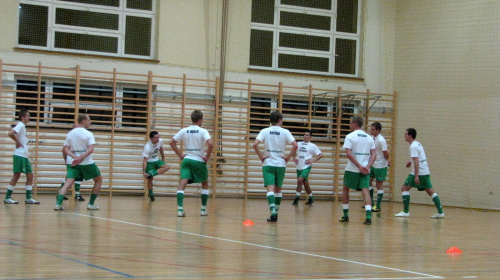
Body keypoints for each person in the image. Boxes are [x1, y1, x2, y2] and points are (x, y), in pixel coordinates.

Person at [253, 111, 297, 222]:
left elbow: (255, 144)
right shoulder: (285, 132)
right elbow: (295, 145)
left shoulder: (265, 131)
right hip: (280, 164)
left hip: (268, 163)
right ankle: (276, 213)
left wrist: (261, 157)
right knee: (278, 190)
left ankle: (272, 212)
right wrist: (287, 158)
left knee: (270, 189)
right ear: (280, 120)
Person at [170, 110, 213, 217]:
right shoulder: (203, 131)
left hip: (186, 160)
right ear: (200, 119)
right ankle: (203, 210)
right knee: (205, 183)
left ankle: (180, 210)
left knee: (182, 184)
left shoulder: (184, 130)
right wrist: (207, 157)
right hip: (198, 160)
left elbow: (172, 142)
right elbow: (210, 144)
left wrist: (180, 155)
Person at [55, 114, 102, 211]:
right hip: (87, 162)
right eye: (89, 120)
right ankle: (91, 204)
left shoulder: (70, 133)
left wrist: (75, 157)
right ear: (83, 121)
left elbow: (66, 149)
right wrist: (81, 158)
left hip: (73, 162)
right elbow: (91, 149)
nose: (90, 122)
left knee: (68, 183)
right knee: (98, 180)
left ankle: (58, 204)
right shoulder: (88, 134)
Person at [395, 128, 444, 219]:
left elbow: (417, 161)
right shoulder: (418, 144)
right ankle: (440, 212)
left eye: (405, 134)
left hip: (419, 173)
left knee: (404, 188)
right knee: (430, 192)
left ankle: (406, 212)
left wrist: (416, 175)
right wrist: (410, 161)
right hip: (425, 172)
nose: (404, 136)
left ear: (410, 136)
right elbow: (417, 158)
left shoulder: (413, 146)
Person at [340, 116, 376, 225]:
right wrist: (367, 167)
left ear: (355, 124)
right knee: (366, 191)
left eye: (350, 123)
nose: (349, 125)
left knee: (345, 189)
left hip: (352, 168)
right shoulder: (369, 138)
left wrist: (359, 166)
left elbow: (348, 153)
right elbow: (374, 154)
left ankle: (346, 215)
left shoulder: (350, 136)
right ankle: (368, 216)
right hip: (365, 169)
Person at [5, 109, 39, 204]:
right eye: (28, 116)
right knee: (16, 175)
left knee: (30, 175)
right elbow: (10, 133)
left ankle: (28, 198)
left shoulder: (22, 126)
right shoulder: (20, 125)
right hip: (19, 155)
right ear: (23, 117)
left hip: (24, 155)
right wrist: (18, 142)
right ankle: (7, 197)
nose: (29, 117)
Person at [292, 129, 323, 206]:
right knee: (306, 184)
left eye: (307, 135)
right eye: (304, 135)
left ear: (310, 137)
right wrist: (293, 158)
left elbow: (321, 155)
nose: (305, 136)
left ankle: (297, 198)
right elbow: (292, 151)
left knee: (299, 180)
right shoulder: (298, 144)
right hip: (299, 166)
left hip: (306, 166)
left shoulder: (312, 146)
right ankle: (311, 198)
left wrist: (312, 160)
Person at [59, 123, 85, 201]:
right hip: (72, 160)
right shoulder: (70, 137)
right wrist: (65, 160)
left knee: (77, 176)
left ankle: (76, 194)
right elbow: (64, 150)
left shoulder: (79, 137)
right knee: (69, 178)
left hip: (78, 160)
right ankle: (62, 194)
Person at [142, 131, 170, 201]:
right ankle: (151, 194)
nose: (158, 139)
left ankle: (151, 174)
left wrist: (163, 157)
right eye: (155, 138)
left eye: (158, 137)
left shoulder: (160, 141)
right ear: (151, 138)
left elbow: (161, 149)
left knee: (167, 167)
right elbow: (145, 160)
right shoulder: (147, 147)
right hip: (149, 162)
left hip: (156, 160)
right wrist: (144, 172)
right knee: (150, 179)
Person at [368, 122, 389, 212]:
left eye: (373, 129)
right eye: (371, 129)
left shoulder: (381, 140)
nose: (371, 130)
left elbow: (386, 153)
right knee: (368, 182)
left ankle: (378, 205)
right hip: (373, 164)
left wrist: (387, 161)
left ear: (378, 130)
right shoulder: (372, 138)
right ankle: (371, 202)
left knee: (379, 184)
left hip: (380, 165)